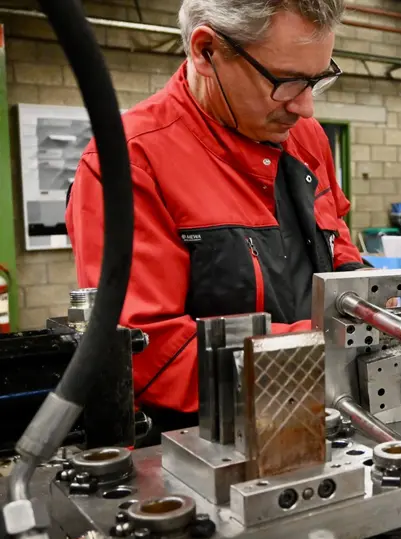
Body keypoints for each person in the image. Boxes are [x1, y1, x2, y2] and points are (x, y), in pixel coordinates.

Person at [66, 0, 363, 431]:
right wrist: (332, 348)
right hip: (205, 443)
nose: (305, 108)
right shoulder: (129, 163)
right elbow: (153, 356)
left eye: (316, 81)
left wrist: (375, 305)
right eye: (288, 81)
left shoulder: (307, 138)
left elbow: (336, 239)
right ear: (207, 51)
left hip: (326, 413)